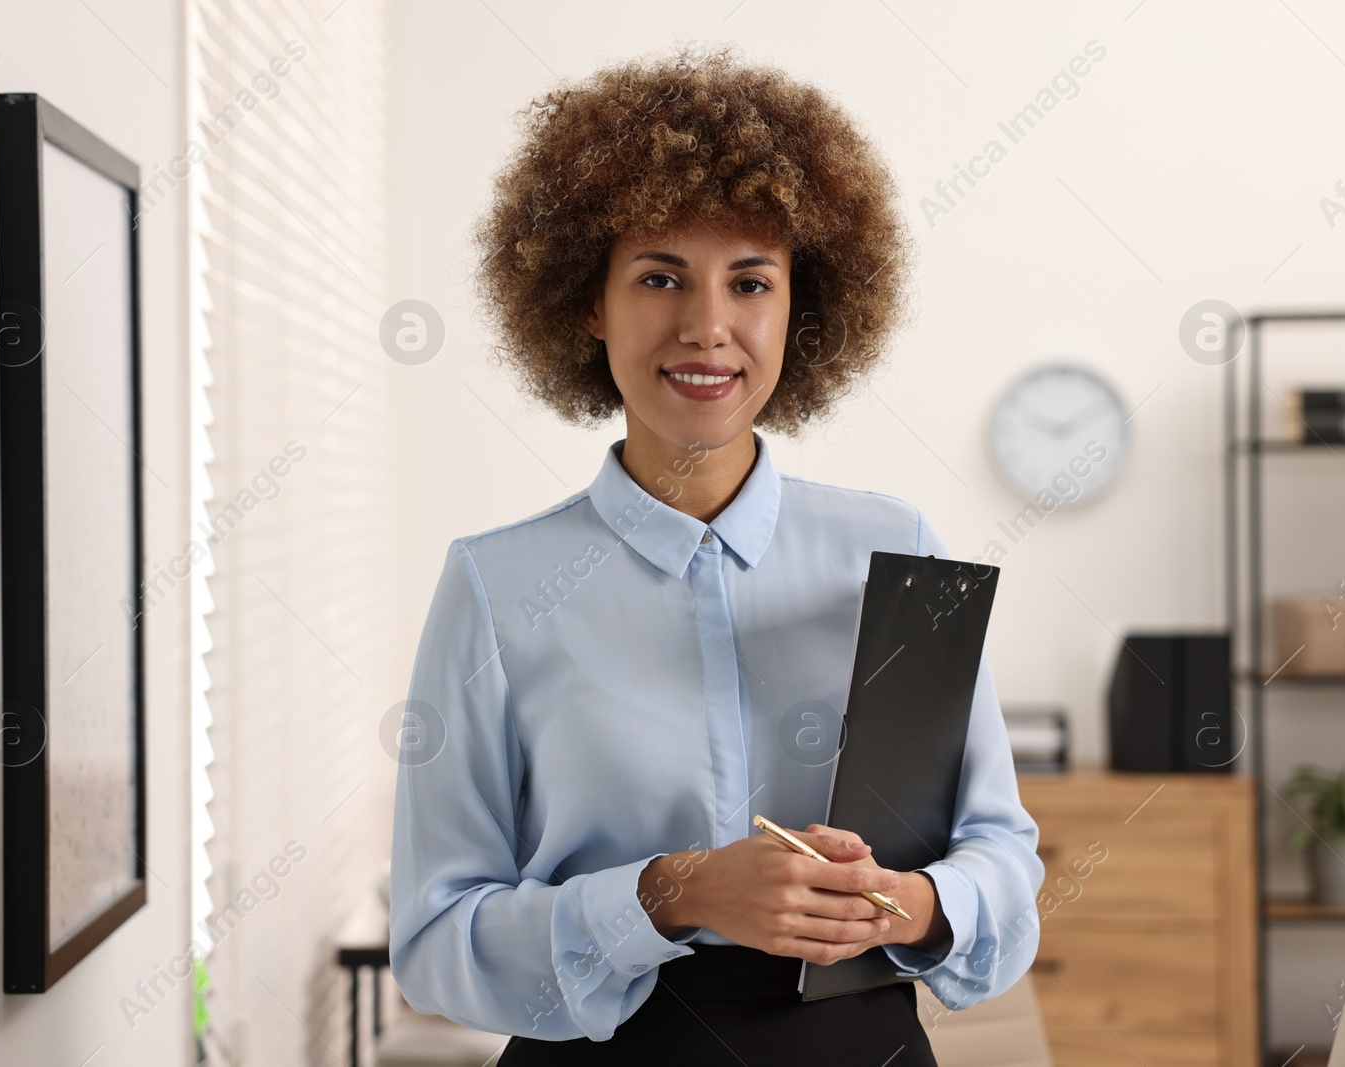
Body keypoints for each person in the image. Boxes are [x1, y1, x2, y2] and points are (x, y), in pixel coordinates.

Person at [388, 44, 1043, 1065]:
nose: (707, 327)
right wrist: (672, 891)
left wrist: (907, 902)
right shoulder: (495, 585)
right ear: (586, 304)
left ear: (800, 309)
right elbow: (434, 945)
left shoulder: (895, 549)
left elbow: (1001, 860)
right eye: (659, 277)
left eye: (750, 282)